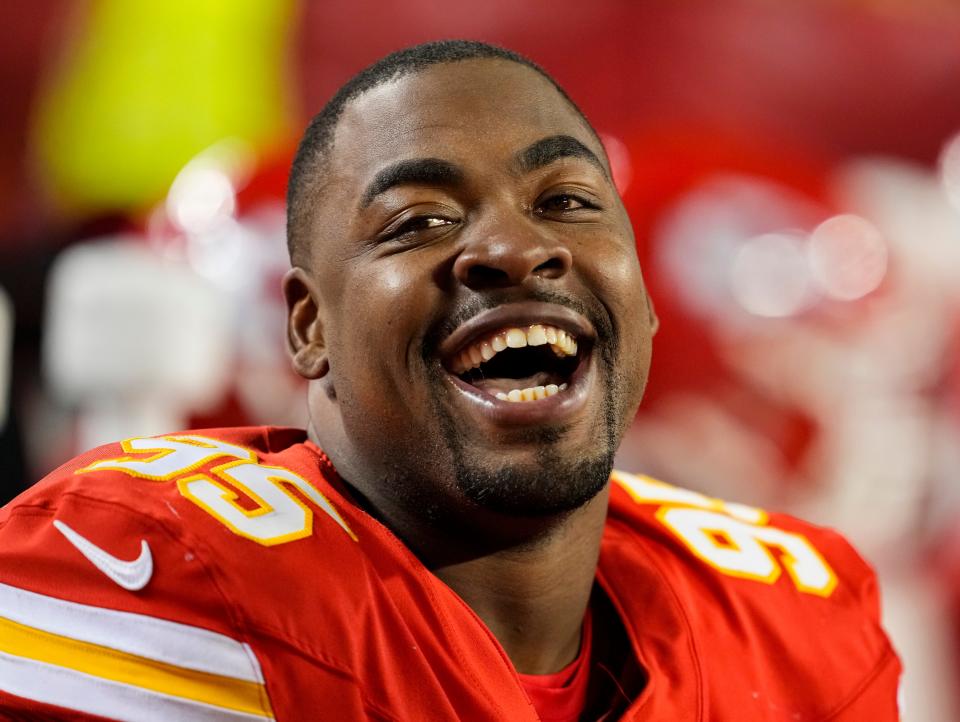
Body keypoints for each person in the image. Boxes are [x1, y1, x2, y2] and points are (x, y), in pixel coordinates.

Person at [0, 40, 900, 721]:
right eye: (418, 219)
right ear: (307, 328)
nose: (517, 248)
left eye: (568, 202)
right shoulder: (155, 574)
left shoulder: (793, 621)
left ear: (643, 293)